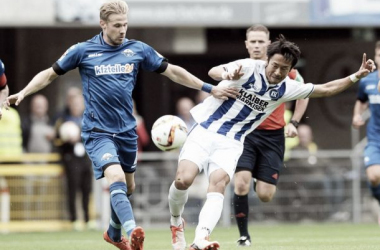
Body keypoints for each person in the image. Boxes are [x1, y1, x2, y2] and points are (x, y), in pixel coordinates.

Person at [4, 1, 237, 250]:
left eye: (125, 25)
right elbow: (49, 73)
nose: (122, 30)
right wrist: (24, 92)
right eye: (117, 25)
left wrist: (210, 88)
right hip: (97, 131)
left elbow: (173, 72)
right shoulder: (83, 50)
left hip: (126, 131)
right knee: (114, 177)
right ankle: (132, 230)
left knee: (129, 186)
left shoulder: (137, 49)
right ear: (103, 24)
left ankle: (113, 233)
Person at [167, 34, 375, 250]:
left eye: (284, 69)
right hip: (205, 130)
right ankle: (176, 223)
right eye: (274, 65)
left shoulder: (288, 87)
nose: (277, 72)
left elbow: (326, 89)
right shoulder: (248, 67)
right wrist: (227, 73)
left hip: (232, 142)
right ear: (268, 60)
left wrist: (355, 77)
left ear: (290, 70)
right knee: (183, 180)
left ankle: (201, 239)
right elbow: (213, 71)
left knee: (218, 184)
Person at [207, 24, 309, 246]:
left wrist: (294, 122)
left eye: (260, 41)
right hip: (244, 133)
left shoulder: (286, 69)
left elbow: (305, 93)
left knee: (265, 194)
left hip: (273, 136)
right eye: (252, 41)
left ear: (268, 43)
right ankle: (243, 235)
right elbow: (214, 73)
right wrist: (225, 79)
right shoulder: (243, 68)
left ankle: (258, 176)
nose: (256, 45)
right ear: (246, 44)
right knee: (240, 184)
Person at [55, 93, 93, 231]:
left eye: (79, 103)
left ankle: (88, 219)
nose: (77, 106)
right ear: (69, 104)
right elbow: (57, 140)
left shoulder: (88, 118)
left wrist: (81, 136)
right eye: (74, 103)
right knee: (72, 189)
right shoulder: (63, 120)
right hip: (71, 159)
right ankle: (74, 219)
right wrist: (66, 139)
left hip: (85, 159)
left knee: (87, 189)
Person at [352, 40, 380, 224]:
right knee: (374, 176)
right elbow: (361, 101)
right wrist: (356, 116)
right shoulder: (368, 80)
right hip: (375, 138)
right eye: (379, 55)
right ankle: (377, 196)